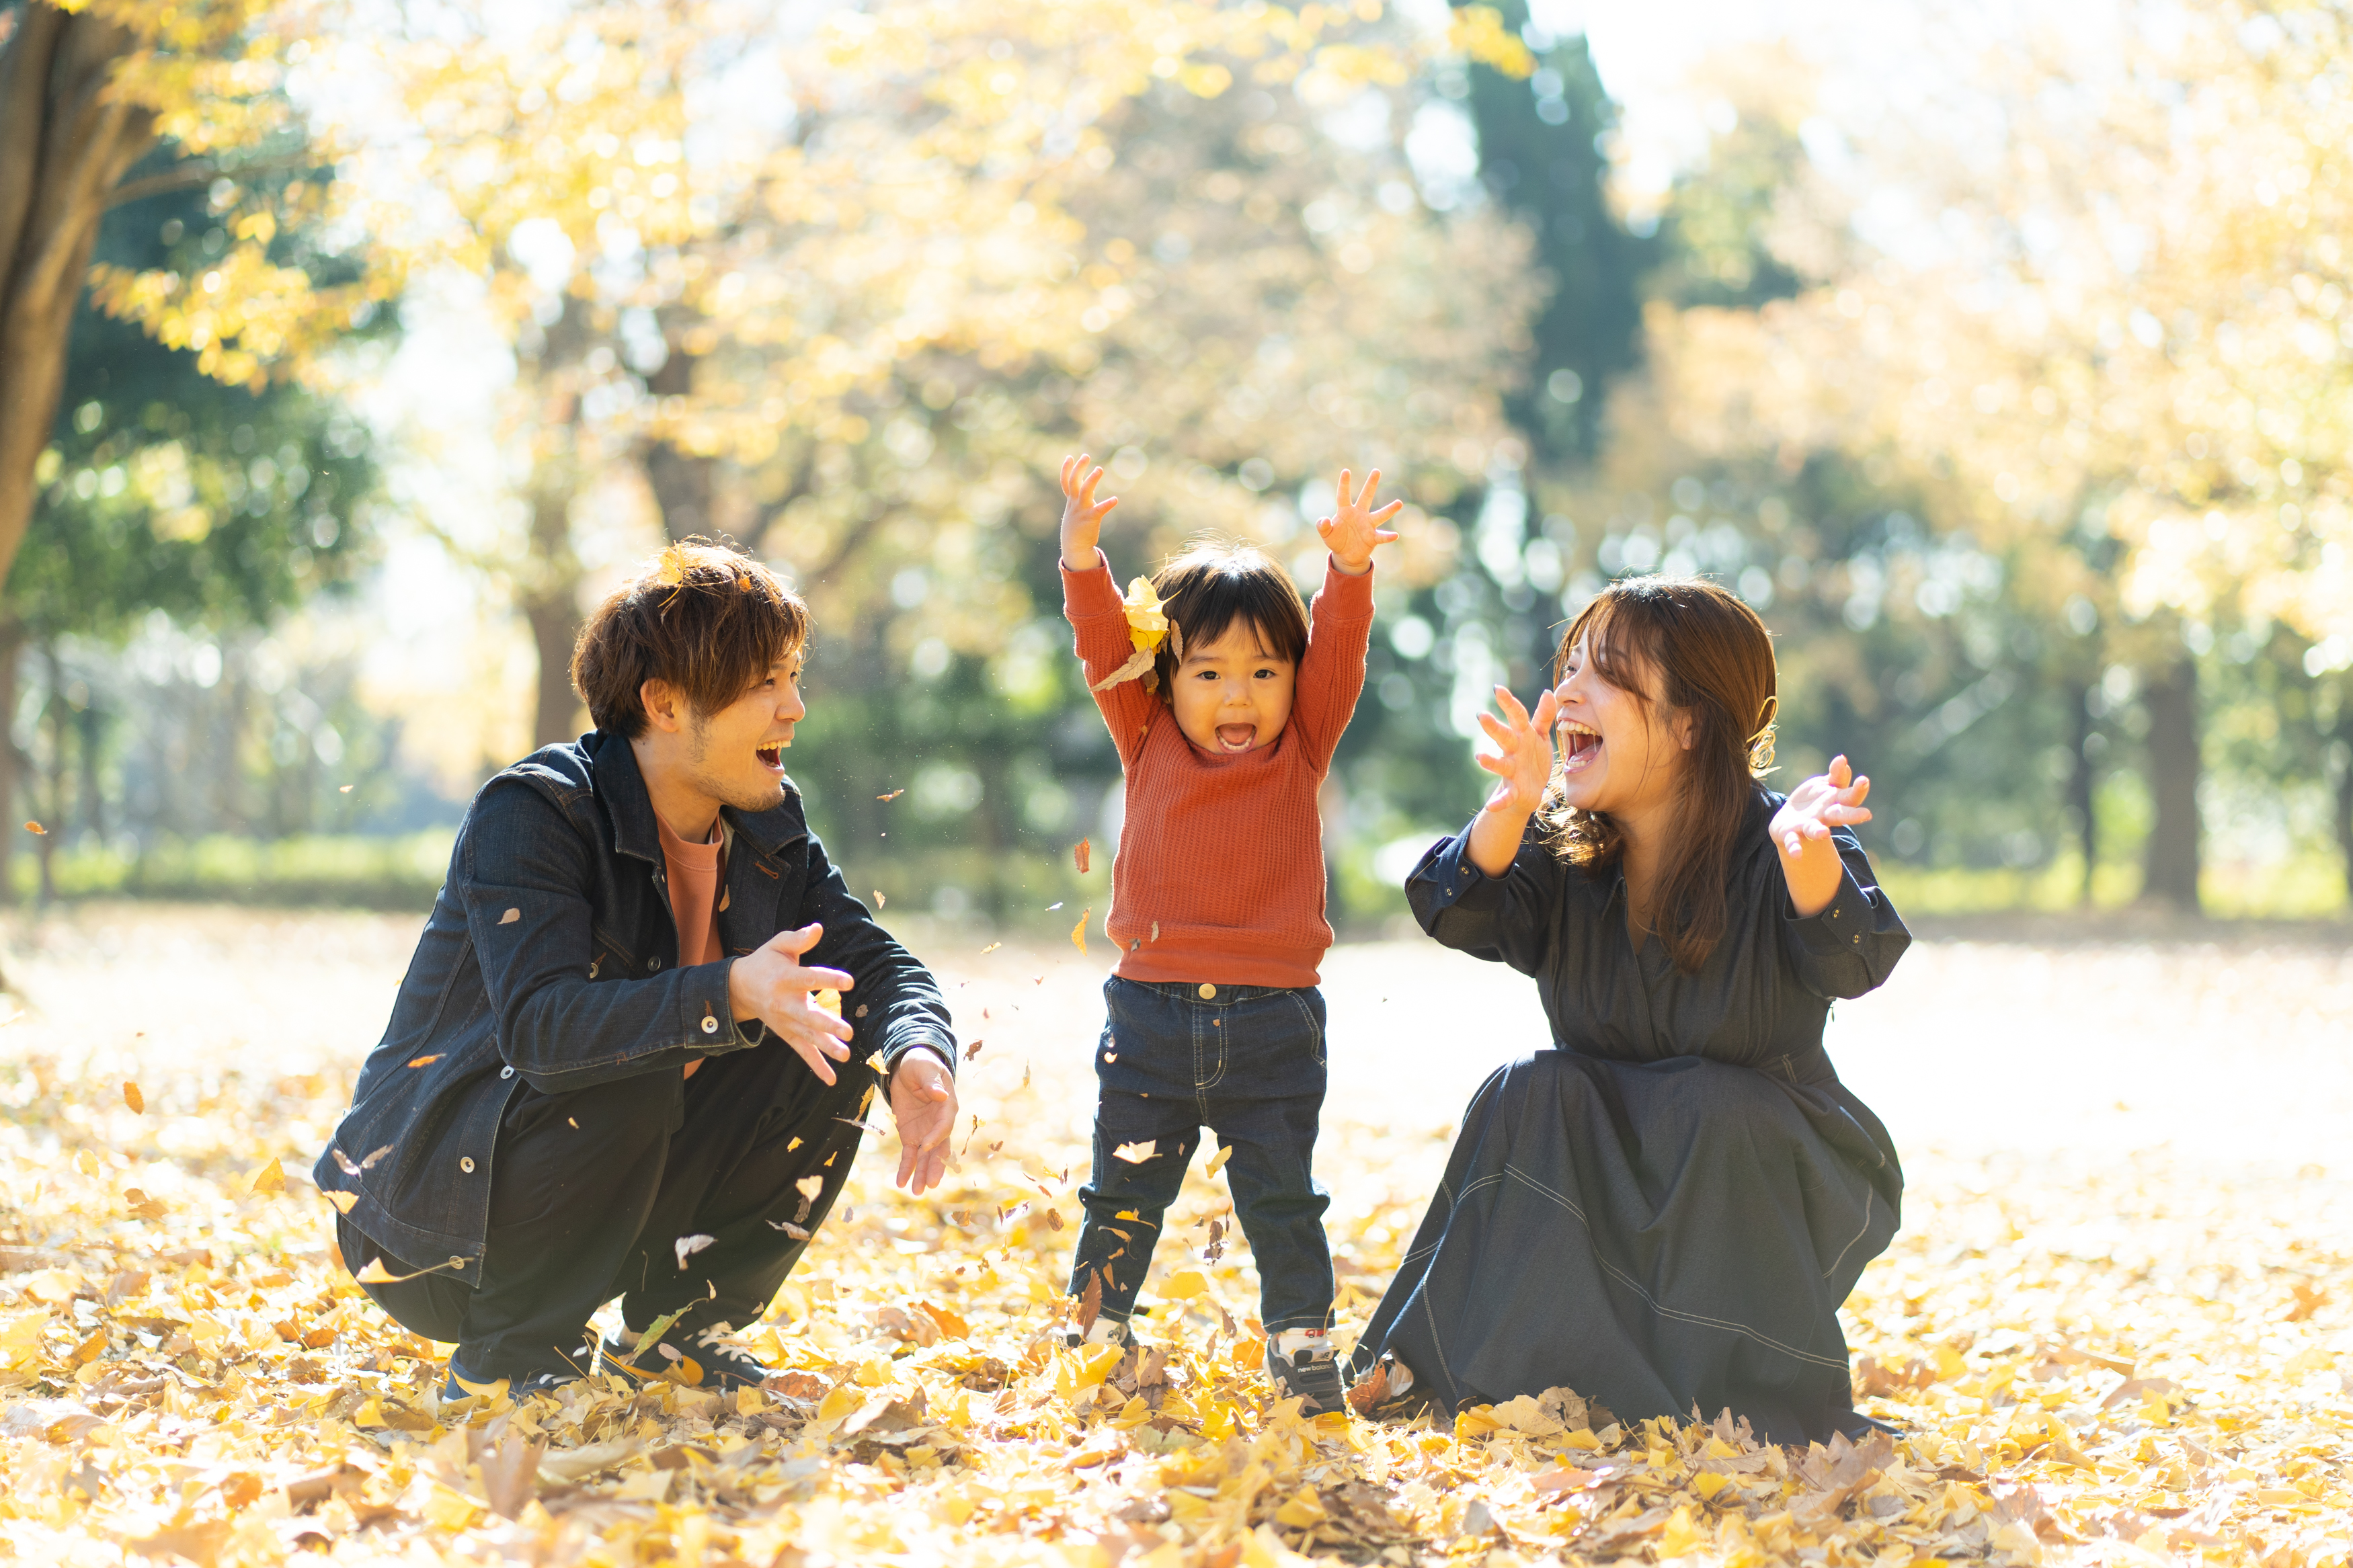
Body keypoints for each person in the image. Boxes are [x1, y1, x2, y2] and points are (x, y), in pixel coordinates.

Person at [317, 540, 959, 1398]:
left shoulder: (764, 826)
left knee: (831, 1026)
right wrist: (729, 991)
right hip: (435, 1226)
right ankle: (507, 1355)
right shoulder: (536, 811)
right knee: (636, 1045)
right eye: (764, 683)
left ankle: (673, 1333)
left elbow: (869, 962)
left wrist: (917, 1049)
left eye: (792, 677)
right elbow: (546, 1030)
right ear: (662, 702)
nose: (794, 707)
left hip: (607, 1191)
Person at [1347, 575, 1907, 1444]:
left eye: (1603, 672)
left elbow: (1859, 954)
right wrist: (1511, 802)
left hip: (1762, 1171)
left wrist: (1809, 863)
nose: (1566, 691)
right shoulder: (1563, 849)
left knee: (1714, 1103)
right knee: (1530, 1086)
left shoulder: (1781, 840)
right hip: (1612, 1166)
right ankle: (1442, 1360)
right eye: (1567, 666)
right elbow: (1452, 903)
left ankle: (1724, 1390)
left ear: (1689, 724)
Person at [1054, 453, 1402, 1414]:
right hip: (1152, 1016)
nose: (1238, 696)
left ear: (1294, 682)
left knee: (1282, 1198)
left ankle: (1300, 1346)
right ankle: (1092, 1336)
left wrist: (1351, 571)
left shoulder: (1307, 741)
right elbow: (1099, 646)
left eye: (1263, 672)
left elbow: (1340, 648)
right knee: (1122, 1192)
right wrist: (1082, 559)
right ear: (1167, 677)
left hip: (1274, 1021)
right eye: (1208, 672)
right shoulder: (1145, 728)